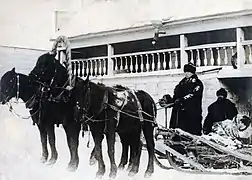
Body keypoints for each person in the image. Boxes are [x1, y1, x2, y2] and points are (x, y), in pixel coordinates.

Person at [169, 63, 204, 136]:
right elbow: (177, 93)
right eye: (185, 72)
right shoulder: (182, 82)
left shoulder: (197, 83)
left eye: (188, 72)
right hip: (179, 111)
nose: (186, 73)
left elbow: (193, 95)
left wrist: (182, 99)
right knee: (177, 127)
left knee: (190, 130)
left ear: (192, 72)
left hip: (191, 111)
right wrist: (171, 100)